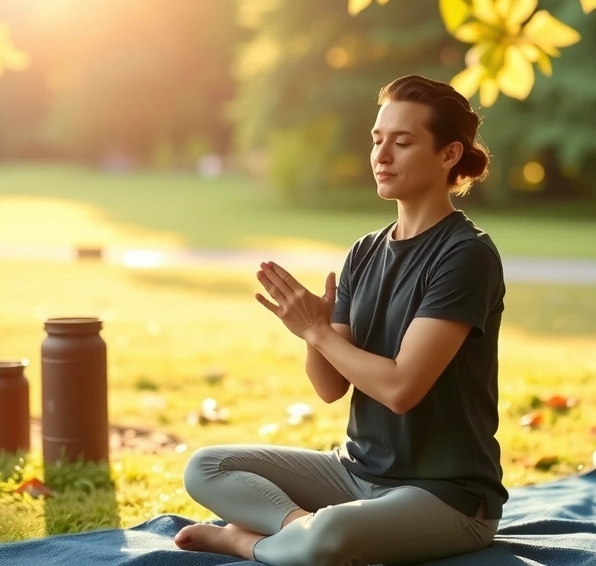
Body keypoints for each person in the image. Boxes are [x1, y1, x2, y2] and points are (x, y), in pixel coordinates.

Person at [174, 74, 507, 566]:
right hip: (353, 474)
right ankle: (295, 532)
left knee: (332, 536)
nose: (382, 155)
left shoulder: (465, 256)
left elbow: (400, 389)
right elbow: (329, 386)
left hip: (447, 494)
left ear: (449, 155)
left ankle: (244, 541)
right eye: (377, 140)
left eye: (403, 141)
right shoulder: (364, 252)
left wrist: (317, 331)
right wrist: (312, 331)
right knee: (206, 466)